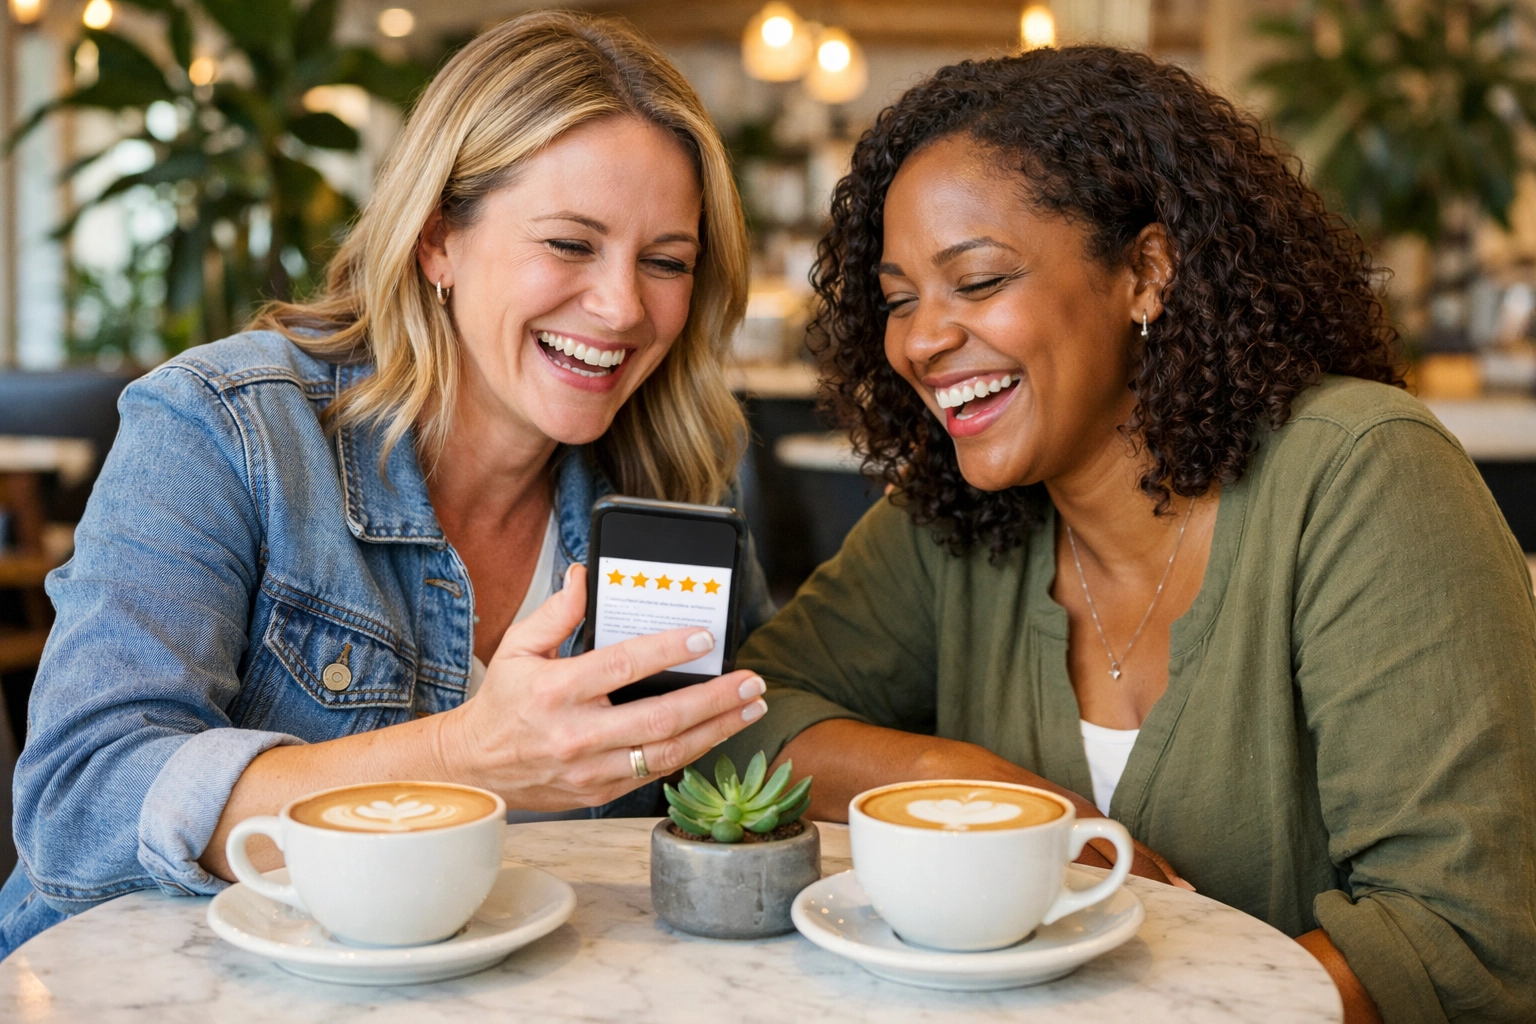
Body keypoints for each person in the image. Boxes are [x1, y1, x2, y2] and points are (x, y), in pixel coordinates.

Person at [717, 47, 1536, 1024]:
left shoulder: (1358, 473)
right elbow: (733, 722)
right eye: (899, 299)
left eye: (975, 281)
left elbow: (1456, 939)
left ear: (1147, 272)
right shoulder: (956, 518)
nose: (921, 340)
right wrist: (986, 790)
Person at [0, 11, 775, 955]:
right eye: (571, 245)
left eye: (666, 262)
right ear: (437, 240)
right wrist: (461, 756)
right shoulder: (227, 426)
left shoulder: (666, 491)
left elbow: (748, 767)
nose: (622, 307)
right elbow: (79, 805)